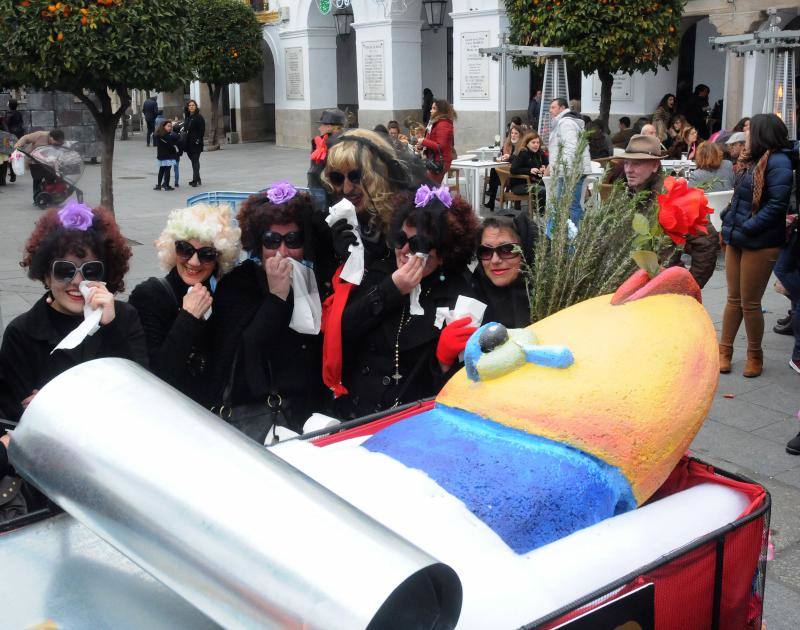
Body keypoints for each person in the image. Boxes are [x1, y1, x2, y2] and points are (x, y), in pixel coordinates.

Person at [332, 185, 479, 419]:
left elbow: (463, 389)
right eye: (401, 239)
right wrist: (391, 289)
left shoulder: (458, 296)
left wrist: (442, 362)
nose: (406, 250)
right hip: (354, 412)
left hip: (410, 418)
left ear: (442, 253)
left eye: (419, 244)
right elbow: (342, 331)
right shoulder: (381, 273)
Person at [0, 202, 147, 422]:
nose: (78, 282)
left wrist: (110, 329)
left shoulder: (124, 318)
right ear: (46, 275)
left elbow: (141, 394)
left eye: (91, 270)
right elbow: (14, 415)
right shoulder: (22, 333)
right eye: (64, 270)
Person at [210, 185, 328, 435]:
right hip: (262, 415)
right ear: (258, 242)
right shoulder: (236, 284)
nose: (282, 252)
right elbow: (247, 349)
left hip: (307, 415)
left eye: (292, 240)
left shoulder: (309, 280)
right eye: (272, 241)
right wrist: (277, 297)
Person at [128, 204, 241, 405]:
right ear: (172, 250)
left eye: (207, 254)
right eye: (185, 250)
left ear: (219, 259)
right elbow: (155, 377)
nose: (194, 262)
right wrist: (188, 318)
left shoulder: (224, 299)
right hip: (171, 419)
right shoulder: (150, 296)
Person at [719, 114, 795, 377]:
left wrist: (745, 228)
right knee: (733, 299)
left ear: (763, 133)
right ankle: (724, 351)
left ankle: (755, 355)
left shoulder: (779, 161)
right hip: (737, 237)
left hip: (760, 242)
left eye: (750, 130)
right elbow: (739, 196)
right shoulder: (749, 160)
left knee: (750, 302)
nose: (745, 134)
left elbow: (776, 205)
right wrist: (727, 216)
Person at [607, 134, 719, 288]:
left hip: (662, 288)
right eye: (626, 163)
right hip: (631, 286)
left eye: (637, 164)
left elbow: (707, 241)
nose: (629, 170)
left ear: (654, 165)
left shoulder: (672, 195)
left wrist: (691, 285)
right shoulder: (627, 193)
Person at [472, 213, 536, 329]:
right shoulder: (474, 292)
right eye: (486, 251)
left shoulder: (555, 296)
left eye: (507, 249)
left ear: (526, 251)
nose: (495, 260)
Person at [544, 98, 591, 225]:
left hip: (569, 172)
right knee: (566, 205)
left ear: (562, 108)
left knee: (570, 206)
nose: (550, 110)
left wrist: (566, 172)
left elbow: (571, 148)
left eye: (553, 107)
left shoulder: (566, 123)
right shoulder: (565, 122)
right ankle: (564, 236)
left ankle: (573, 238)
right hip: (569, 170)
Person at [308, 108, 347, 212]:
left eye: (322, 125)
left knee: (322, 215)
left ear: (329, 127)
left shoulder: (329, 142)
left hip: (323, 185)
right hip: (334, 185)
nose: (320, 128)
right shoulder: (345, 139)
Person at [14, 128, 64, 203]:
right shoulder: (40, 135)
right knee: (37, 179)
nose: (56, 144)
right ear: (51, 137)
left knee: (51, 178)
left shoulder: (59, 141)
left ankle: (50, 195)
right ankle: (37, 198)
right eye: (55, 142)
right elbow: (25, 138)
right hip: (34, 161)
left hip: (48, 161)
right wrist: (18, 145)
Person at [485, 124, 522, 210]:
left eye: (516, 133)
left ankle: (491, 200)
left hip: (514, 172)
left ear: (520, 134)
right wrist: (501, 158)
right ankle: (491, 200)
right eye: (512, 133)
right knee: (494, 169)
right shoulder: (507, 144)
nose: (513, 135)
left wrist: (508, 158)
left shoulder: (521, 146)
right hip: (505, 170)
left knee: (495, 175)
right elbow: (501, 154)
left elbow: (519, 159)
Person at [421, 99, 456, 184]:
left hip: (439, 161)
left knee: (430, 188)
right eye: (431, 108)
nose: (431, 110)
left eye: (434, 108)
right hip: (434, 160)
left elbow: (440, 146)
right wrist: (421, 145)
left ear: (440, 111)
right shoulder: (437, 122)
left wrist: (423, 141)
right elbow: (433, 140)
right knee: (430, 188)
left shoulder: (443, 124)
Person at [509, 131, 548, 209]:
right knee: (543, 190)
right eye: (533, 142)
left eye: (538, 142)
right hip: (520, 185)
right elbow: (513, 169)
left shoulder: (539, 153)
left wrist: (544, 168)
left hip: (535, 181)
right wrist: (529, 170)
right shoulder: (523, 153)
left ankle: (548, 214)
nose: (536, 145)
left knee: (552, 188)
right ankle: (539, 215)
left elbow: (546, 163)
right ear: (527, 143)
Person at [184, 99, 205, 187]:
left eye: (193, 105)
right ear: (188, 108)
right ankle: (198, 178)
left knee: (195, 161)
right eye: (190, 105)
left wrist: (198, 140)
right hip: (188, 143)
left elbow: (202, 130)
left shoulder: (199, 117)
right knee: (193, 161)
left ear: (196, 107)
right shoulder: (188, 117)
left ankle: (195, 180)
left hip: (196, 143)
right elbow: (185, 129)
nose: (192, 107)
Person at [153, 119, 179, 191]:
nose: (170, 128)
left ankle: (159, 185)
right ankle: (166, 185)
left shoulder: (159, 134)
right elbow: (171, 145)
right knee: (167, 171)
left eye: (171, 126)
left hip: (161, 155)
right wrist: (175, 151)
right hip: (168, 156)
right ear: (163, 126)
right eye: (168, 126)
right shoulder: (166, 135)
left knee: (161, 170)